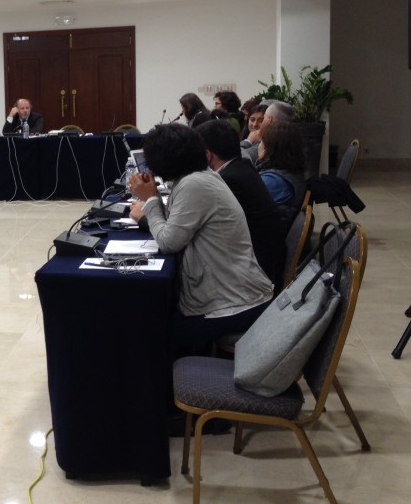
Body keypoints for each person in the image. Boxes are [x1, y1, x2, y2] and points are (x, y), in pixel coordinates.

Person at [128, 124, 273, 356]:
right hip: (235, 294)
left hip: (233, 304)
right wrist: (151, 199)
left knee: (149, 330)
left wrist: (151, 200)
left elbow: (168, 242)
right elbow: (175, 226)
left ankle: (180, 378)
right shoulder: (200, 177)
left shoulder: (194, 184)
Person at [196, 119, 287, 289]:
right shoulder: (242, 167)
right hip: (259, 259)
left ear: (208, 155)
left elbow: (196, 223)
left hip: (251, 273)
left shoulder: (228, 180)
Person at [256, 119, 307, 229]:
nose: (259, 146)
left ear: (269, 148)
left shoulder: (273, 182)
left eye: (261, 142)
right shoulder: (290, 172)